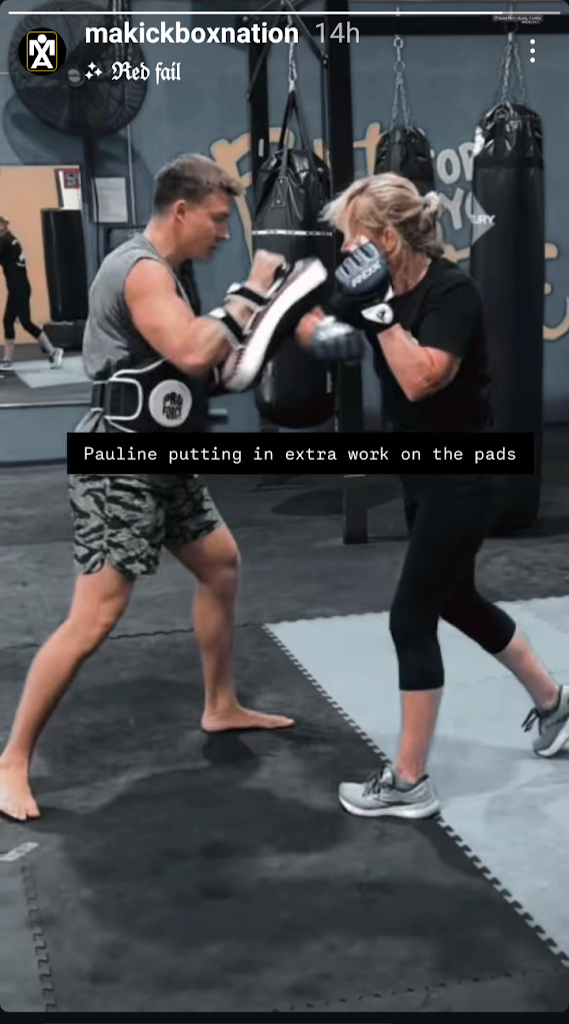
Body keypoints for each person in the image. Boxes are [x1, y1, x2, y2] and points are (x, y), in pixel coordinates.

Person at [0, 153, 312, 822]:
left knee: (221, 565)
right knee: (95, 617)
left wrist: (267, 326)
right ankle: (11, 760)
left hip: (165, 458)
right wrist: (254, 289)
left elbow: (201, 364)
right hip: (119, 463)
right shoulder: (140, 270)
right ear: (181, 210)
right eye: (218, 219)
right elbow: (195, 349)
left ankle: (220, 705)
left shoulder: (169, 276)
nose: (224, 233)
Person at [296, 172, 569, 819]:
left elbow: (421, 379)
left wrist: (379, 314)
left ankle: (409, 781)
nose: (344, 250)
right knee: (457, 600)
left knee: (410, 618)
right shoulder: (373, 287)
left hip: (464, 478)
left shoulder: (452, 293)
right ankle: (555, 705)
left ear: (387, 239)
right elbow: (315, 328)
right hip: (421, 474)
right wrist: (306, 327)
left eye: (352, 238)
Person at [0, 216, 64, 370]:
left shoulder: (5, 242)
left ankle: (53, 351)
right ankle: (7, 359)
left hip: (19, 288)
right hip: (17, 287)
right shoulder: (10, 239)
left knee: (26, 323)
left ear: (3, 226)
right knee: (8, 320)